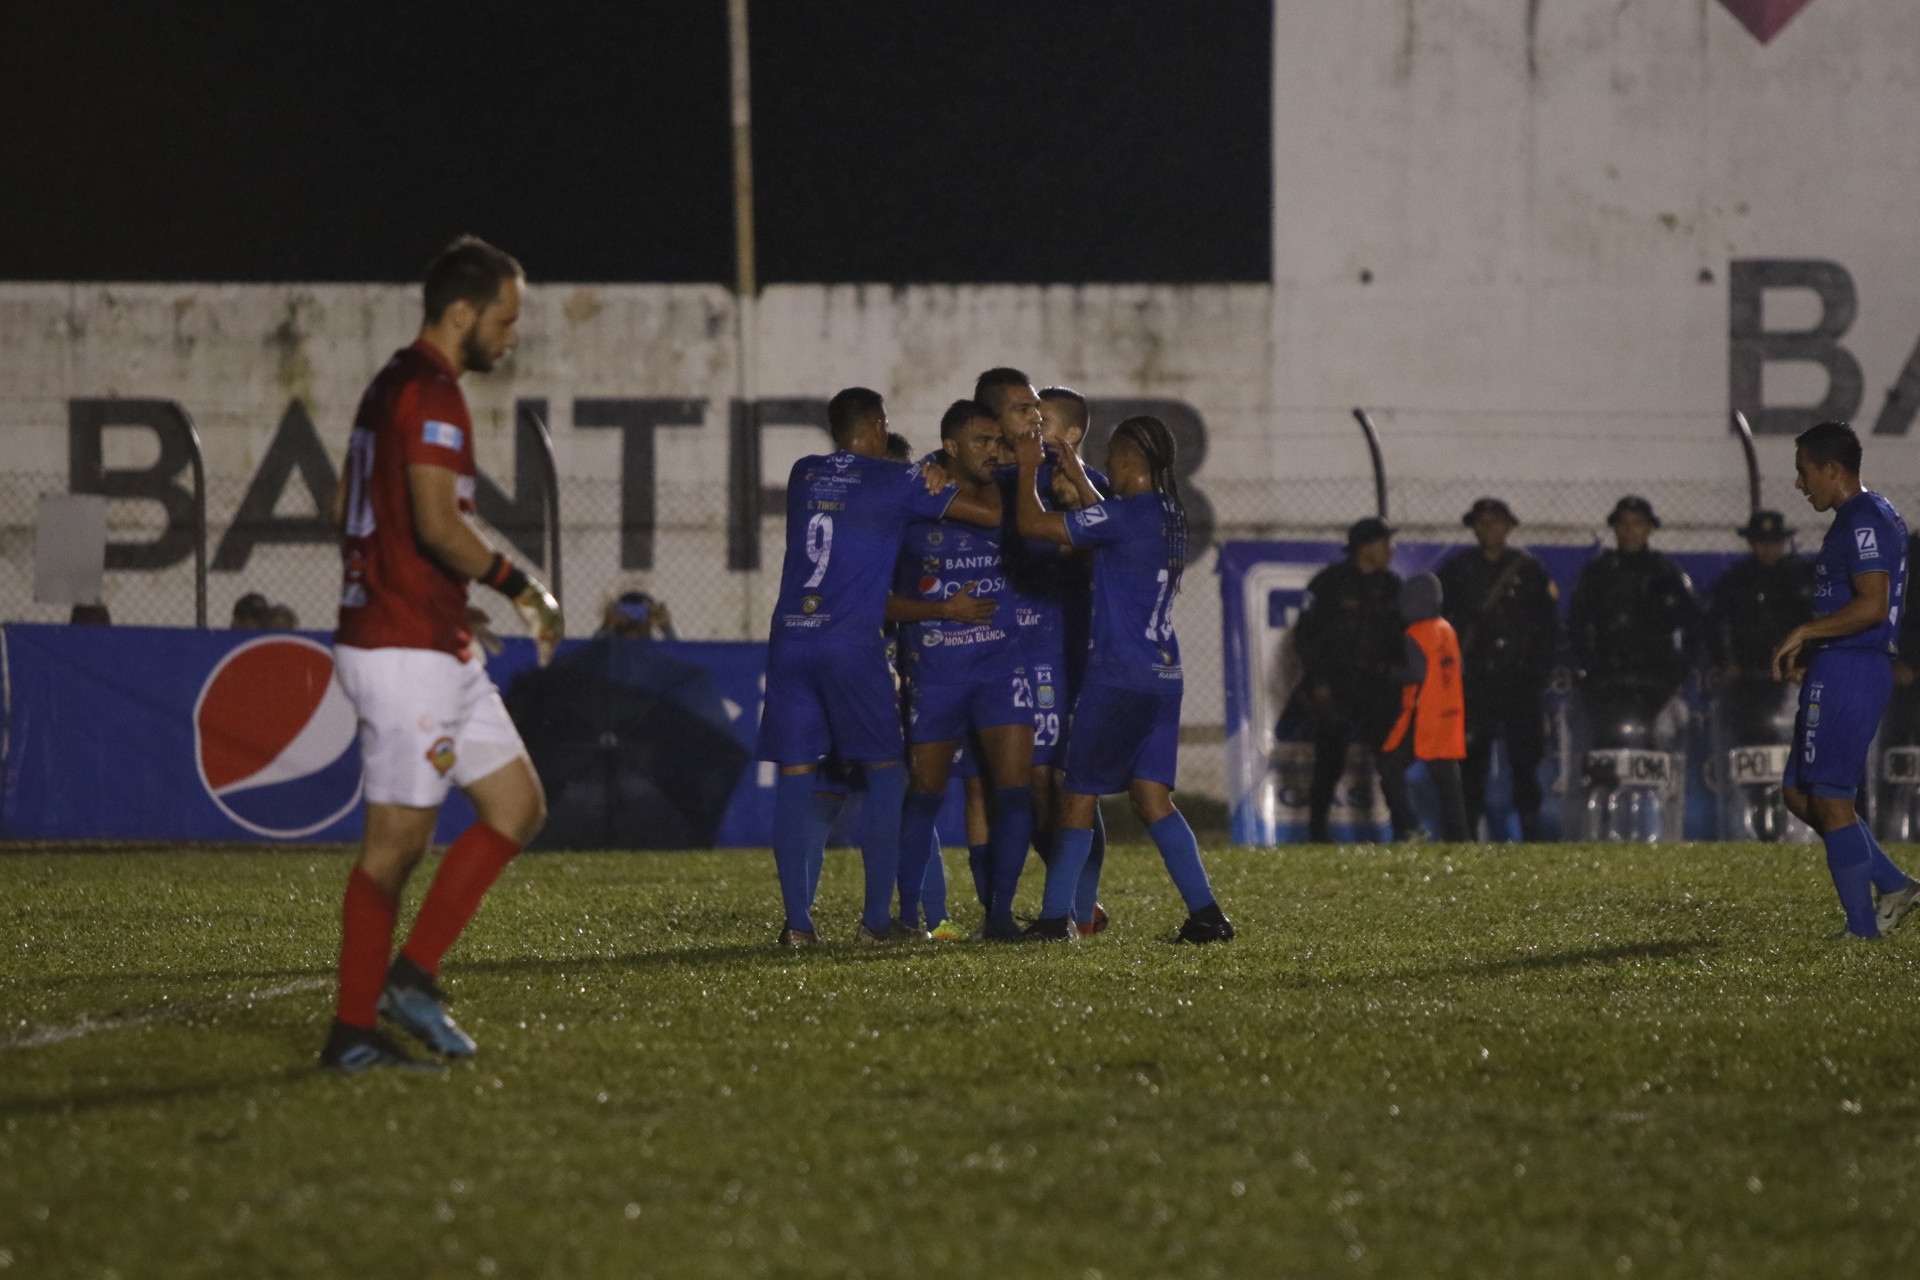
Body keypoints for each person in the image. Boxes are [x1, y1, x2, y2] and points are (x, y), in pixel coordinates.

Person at [320, 235, 563, 1074]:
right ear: (461, 313)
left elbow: (369, 513)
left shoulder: (396, 383)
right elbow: (437, 525)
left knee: (516, 807)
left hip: (431, 636)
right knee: (393, 850)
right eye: (505, 318)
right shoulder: (428, 390)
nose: (510, 334)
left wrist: (437, 599)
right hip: (403, 650)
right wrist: (524, 587)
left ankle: (412, 978)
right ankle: (352, 1033)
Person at [757, 386, 997, 947]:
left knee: (796, 780)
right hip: (850, 645)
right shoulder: (896, 480)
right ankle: (875, 922)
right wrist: (940, 474)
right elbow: (985, 513)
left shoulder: (804, 472)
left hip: (790, 639)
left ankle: (798, 926)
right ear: (879, 426)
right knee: (888, 775)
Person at [1013, 416, 1232, 943]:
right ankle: (1206, 915)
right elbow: (1111, 520)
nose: (1106, 465)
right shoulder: (1169, 512)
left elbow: (1033, 525)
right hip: (1163, 673)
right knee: (1152, 799)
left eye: (1112, 456)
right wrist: (1079, 477)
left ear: (1131, 461)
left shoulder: (1125, 515)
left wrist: (1027, 473)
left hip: (1119, 675)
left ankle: (1054, 920)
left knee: (1077, 796)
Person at [886, 400, 1034, 939]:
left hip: (1001, 665)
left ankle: (999, 915)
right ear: (950, 447)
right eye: (981, 442)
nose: (994, 451)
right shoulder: (916, 491)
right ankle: (905, 916)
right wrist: (941, 611)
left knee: (1014, 790)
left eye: (998, 442)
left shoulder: (1017, 488)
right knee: (926, 790)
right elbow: (875, 599)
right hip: (936, 671)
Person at [1772, 422, 1920, 938]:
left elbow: (1872, 605)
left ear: (1832, 470)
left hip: (1855, 668)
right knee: (1798, 793)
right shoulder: (1858, 517)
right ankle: (1895, 884)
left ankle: (1861, 929)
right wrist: (1816, 652)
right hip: (1838, 663)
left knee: (1832, 799)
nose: (1800, 484)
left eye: (1804, 473)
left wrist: (1807, 630)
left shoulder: (1864, 519)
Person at [1035, 385, 1111, 936]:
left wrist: (1075, 503)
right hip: (1021, 655)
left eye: (1039, 423)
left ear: (1071, 435)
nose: (1028, 432)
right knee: (1027, 785)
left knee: (1075, 783)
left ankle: (1080, 908)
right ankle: (1070, 901)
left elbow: (1096, 547)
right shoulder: (1020, 481)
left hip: (1074, 657)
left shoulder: (1095, 492)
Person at [1436, 498, 1559, 840]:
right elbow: (1437, 628)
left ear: (1509, 526)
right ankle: (1463, 840)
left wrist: (1538, 675)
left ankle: (1532, 836)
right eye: (1482, 522)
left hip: (1520, 684)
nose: (1489, 528)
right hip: (1474, 683)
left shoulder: (1530, 571)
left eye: (1496, 521)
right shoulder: (1457, 571)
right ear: (1474, 527)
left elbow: (1549, 630)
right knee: (1470, 769)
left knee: (1525, 766)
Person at [1294, 518, 1403, 842]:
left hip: (1380, 689)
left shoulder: (1393, 586)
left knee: (1391, 764)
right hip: (1337, 688)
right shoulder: (1327, 584)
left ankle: (1403, 832)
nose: (1390, 550)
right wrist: (1318, 682)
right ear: (1366, 547)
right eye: (1385, 543)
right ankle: (1317, 834)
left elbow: (1402, 640)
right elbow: (1306, 637)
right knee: (1328, 764)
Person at [1566, 496, 1700, 741]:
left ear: (1649, 528)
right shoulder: (1597, 572)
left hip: (1656, 684)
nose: (1629, 531)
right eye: (1623, 523)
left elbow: (1693, 627)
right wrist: (1589, 670)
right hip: (1606, 683)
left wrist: (1677, 672)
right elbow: (1576, 626)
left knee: (1657, 751)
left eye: (1637, 523)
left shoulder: (1667, 573)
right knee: (1604, 755)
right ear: (1615, 528)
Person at [1376, 573, 1470, 841]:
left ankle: (1410, 826)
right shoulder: (1446, 629)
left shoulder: (1415, 634)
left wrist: (1390, 673)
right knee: (1448, 784)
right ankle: (1460, 836)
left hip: (1423, 715)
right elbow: (1458, 668)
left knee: (1390, 765)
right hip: (1448, 715)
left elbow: (1417, 672)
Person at [598, 590, 678, 641]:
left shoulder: (654, 651)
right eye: (627, 610)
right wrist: (606, 625)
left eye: (640, 611)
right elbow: (589, 655)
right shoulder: (610, 649)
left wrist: (666, 627)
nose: (633, 616)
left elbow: (677, 657)